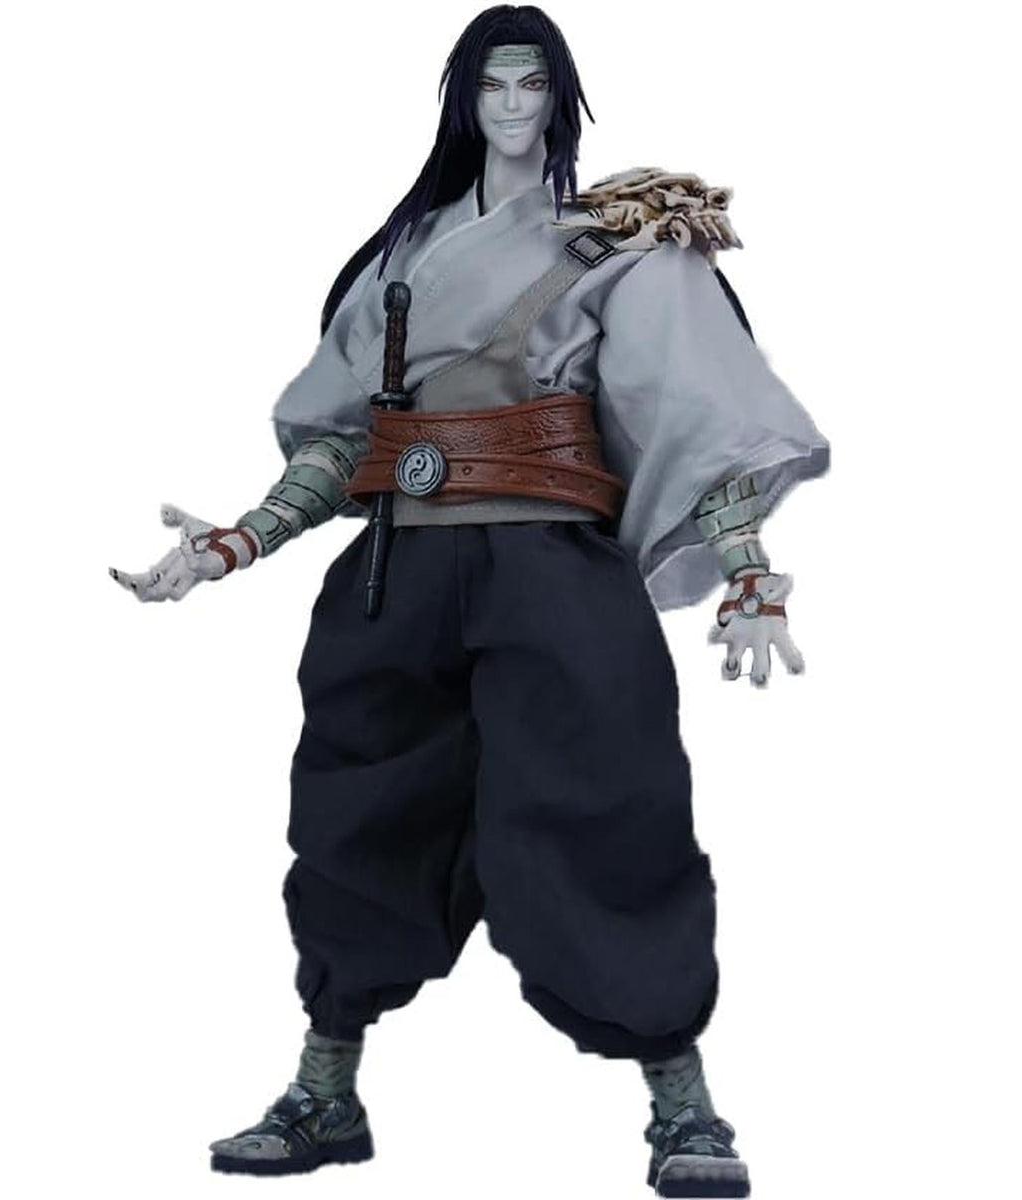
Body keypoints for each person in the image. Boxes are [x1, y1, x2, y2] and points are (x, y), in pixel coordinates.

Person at [110, 7, 828, 1197]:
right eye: (490, 84)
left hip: (552, 566)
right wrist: (237, 542)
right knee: (357, 815)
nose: (511, 104)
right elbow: (343, 442)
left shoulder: (619, 245)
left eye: (531, 83)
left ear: (560, 99)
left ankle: (684, 1105)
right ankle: (326, 1092)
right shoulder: (399, 256)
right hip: (397, 571)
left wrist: (748, 573)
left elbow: (692, 414)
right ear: (462, 101)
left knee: (611, 811)